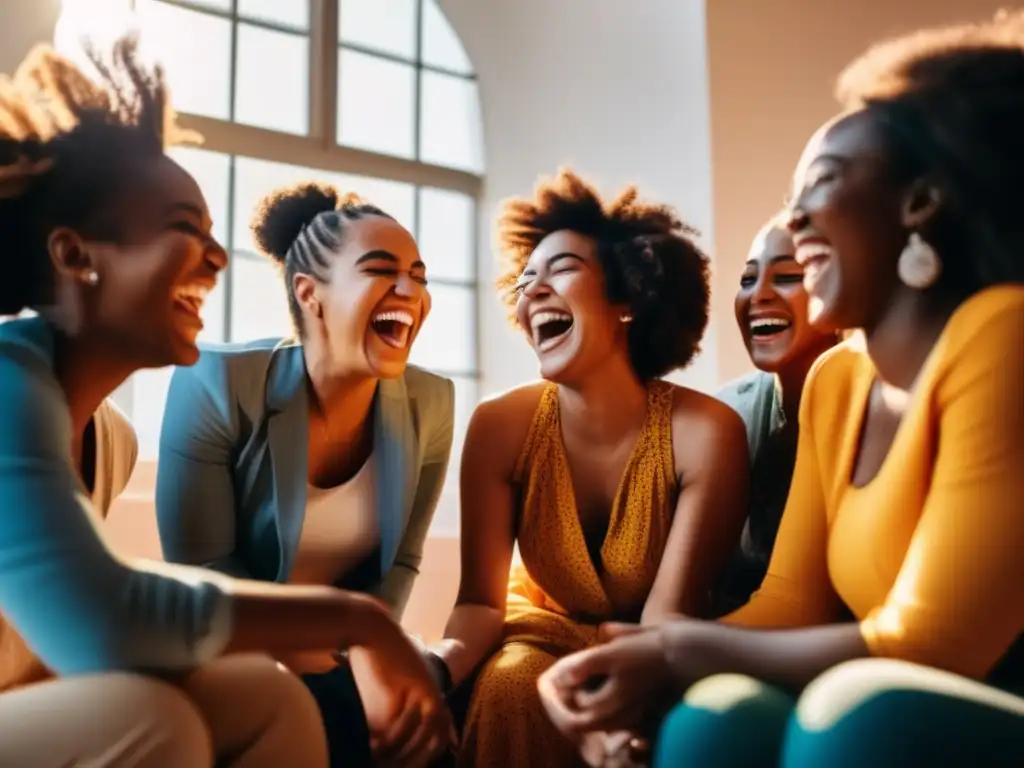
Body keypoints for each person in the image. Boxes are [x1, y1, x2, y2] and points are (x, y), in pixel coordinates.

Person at [536, 11, 1024, 767]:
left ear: (920, 202)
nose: (794, 219)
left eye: (822, 184)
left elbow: (937, 645)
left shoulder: (1005, 333)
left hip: (971, 700)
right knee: (715, 715)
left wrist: (674, 651)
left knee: (863, 716)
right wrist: (632, 658)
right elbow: (787, 605)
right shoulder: (835, 380)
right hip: (889, 693)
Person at [0, 35, 445, 767]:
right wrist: (358, 622)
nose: (217, 258)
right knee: (145, 716)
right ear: (76, 256)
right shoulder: (7, 387)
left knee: (262, 697)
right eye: (184, 229)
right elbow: (98, 620)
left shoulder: (111, 439)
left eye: (213, 234)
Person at [431, 168, 750, 767]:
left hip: (659, 648)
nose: (533, 292)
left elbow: (666, 619)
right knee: (509, 679)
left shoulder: (706, 432)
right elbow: (478, 603)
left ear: (627, 299)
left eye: (561, 269)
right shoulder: (499, 426)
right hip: (534, 638)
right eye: (525, 281)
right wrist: (431, 667)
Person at [156, 180, 455, 766]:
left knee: (424, 728)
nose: (410, 290)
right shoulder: (214, 382)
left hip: (349, 649)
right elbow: (203, 570)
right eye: (381, 269)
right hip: (233, 645)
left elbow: (400, 564)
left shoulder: (433, 403)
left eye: (418, 275)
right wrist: (332, 656)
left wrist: (367, 658)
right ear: (309, 293)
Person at [711, 215, 839, 616]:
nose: (759, 295)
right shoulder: (724, 416)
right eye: (748, 279)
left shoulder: (875, 409)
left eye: (786, 276)